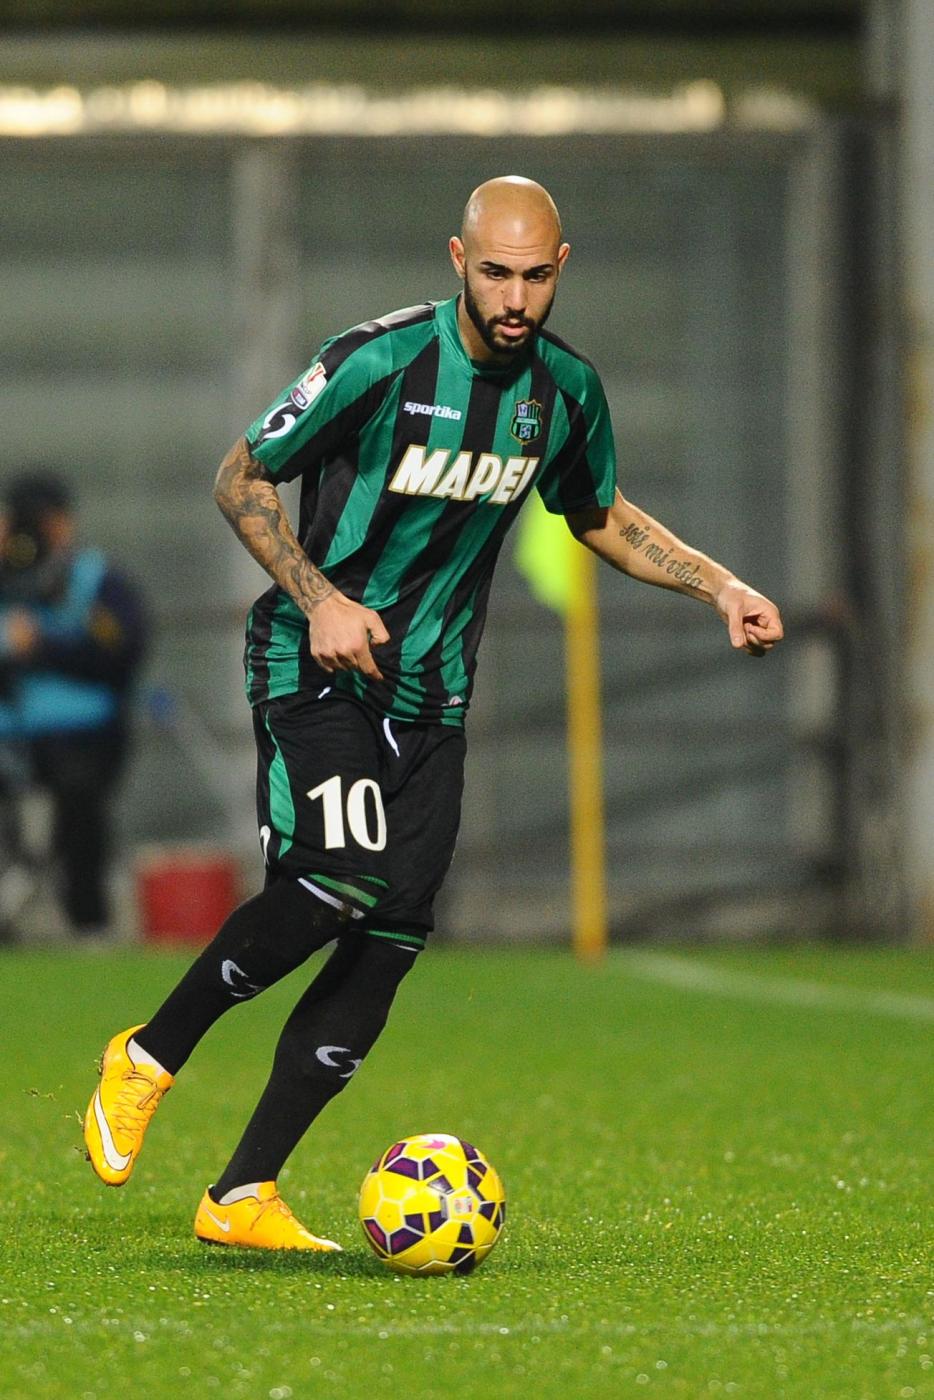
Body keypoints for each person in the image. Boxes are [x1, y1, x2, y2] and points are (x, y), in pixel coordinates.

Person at [82, 177, 784, 1250]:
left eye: (535, 276)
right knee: (339, 876)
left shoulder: (565, 391)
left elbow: (596, 510)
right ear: (458, 260)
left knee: (391, 935)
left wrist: (720, 586)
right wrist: (321, 599)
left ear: (561, 267)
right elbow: (240, 476)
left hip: (434, 695)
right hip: (315, 666)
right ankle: (148, 1056)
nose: (515, 298)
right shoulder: (378, 361)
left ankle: (242, 1193)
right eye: (495, 273)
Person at [0, 473, 147, 939]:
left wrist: (43, 645)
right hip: (13, 732)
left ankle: (88, 921)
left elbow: (123, 652)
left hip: (85, 734)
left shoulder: (95, 579)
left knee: (79, 806)